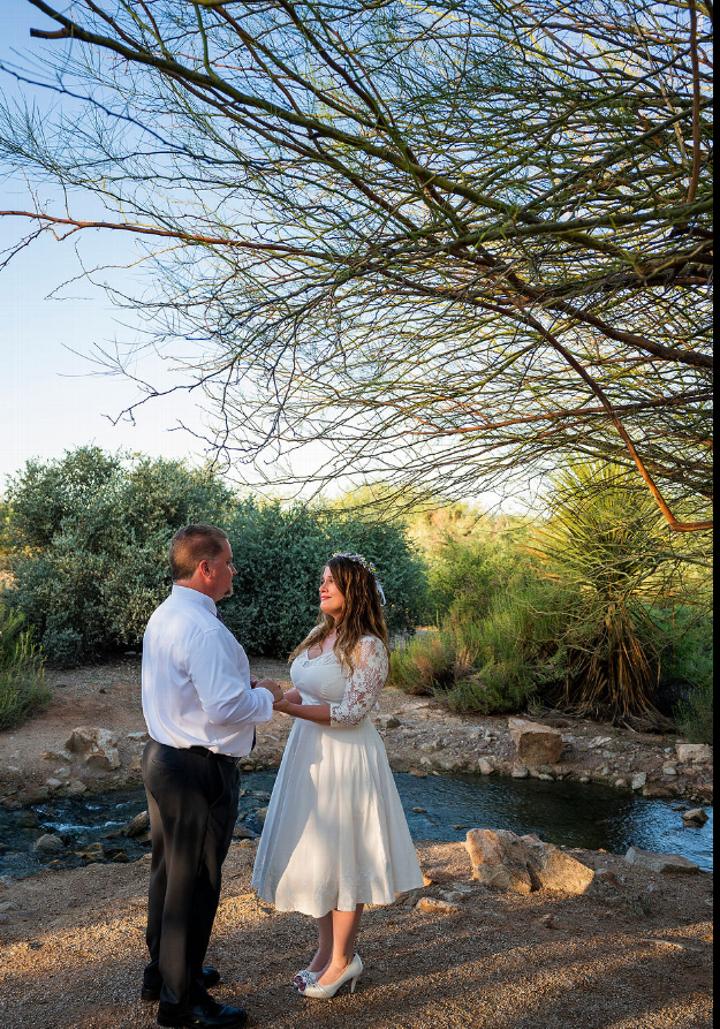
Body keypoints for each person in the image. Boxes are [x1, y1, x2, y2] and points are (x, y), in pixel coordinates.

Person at [251, 552, 423, 999]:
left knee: (346, 856)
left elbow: (350, 712)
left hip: (347, 757)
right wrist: (275, 694)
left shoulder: (369, 647)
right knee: (318, 855)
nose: (323, 587)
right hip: (308, 751)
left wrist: (289, 708)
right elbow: (306, 688)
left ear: (355, 591)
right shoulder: (320, 635)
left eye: (333, 582)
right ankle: (325, 952)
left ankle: (345, 960)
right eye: (322, 579)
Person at [141, 524, 283, 1028]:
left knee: (168, 874)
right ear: (206, 569)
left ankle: (163, 972)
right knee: (195, 883)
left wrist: (244, 685)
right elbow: (225, 707)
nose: (233, 571)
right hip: (196, 768)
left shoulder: (166, 615)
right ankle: (182, 1004)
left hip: (164, 757)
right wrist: (268, 694)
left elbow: (193, 689)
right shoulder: (200, 627)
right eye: (227, 562)